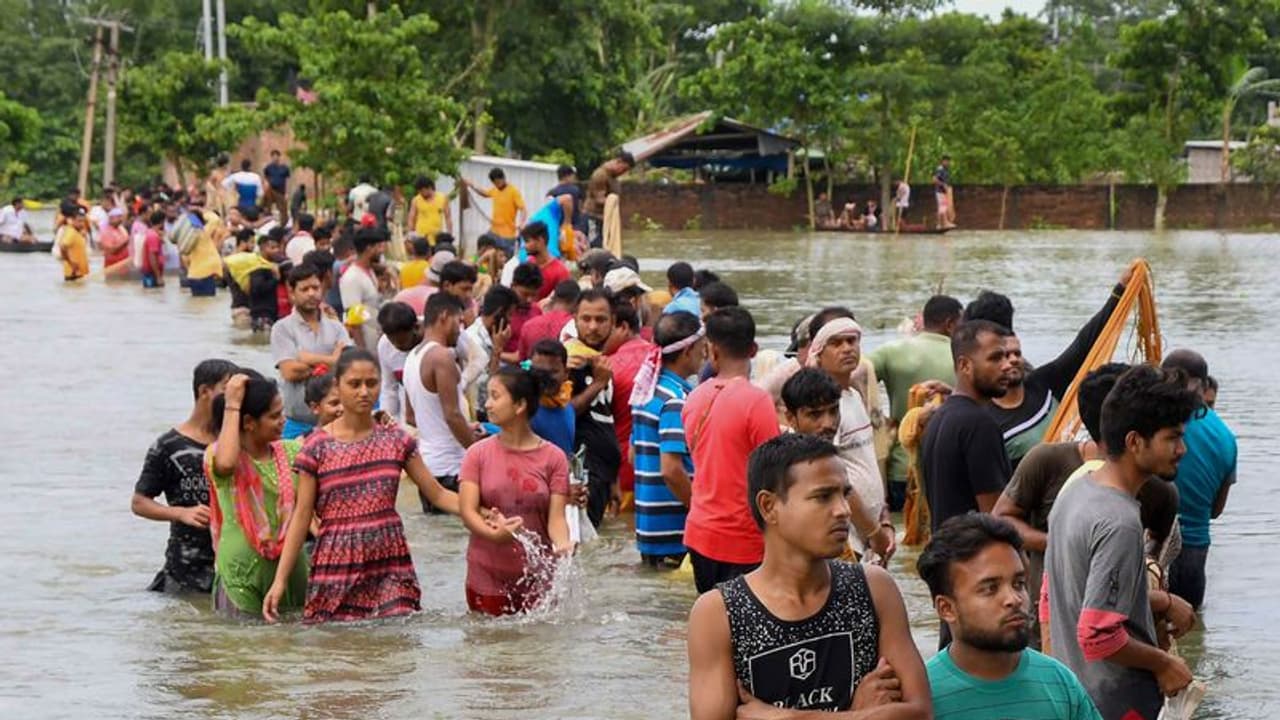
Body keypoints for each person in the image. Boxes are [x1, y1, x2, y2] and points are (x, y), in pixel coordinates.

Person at [687, 433, 932, 719]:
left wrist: (788, 717)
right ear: (769, 506)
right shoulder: (719, 613)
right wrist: (858, 713)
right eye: (823, 496)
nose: (843, 510)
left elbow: (920, 713)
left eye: (845, 494)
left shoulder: (873, 588)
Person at [263, 349, 478, 623]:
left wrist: (479, 512)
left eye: (371, 383)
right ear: (338, 386)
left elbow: (437, 493)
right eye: (354, 384)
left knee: (395, 646)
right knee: (339, 653)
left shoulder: (396, 440)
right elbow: (302, 515)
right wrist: (280, 580)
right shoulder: (316, 447)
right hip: (336, 564)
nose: (364, 392)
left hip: (390, 560)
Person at [1046, 365, 1198, 719]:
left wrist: (1158, 602)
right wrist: (1164, 663)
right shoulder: (1120, 521)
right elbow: (1097, 635)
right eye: (1172, 438)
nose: (1182, 449)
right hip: (1115, 702)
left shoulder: (1076, 491)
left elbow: (1057, 593)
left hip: (1077, 695)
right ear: (1134, 442)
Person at [993, 363, 1129, 650]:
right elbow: (1002, 518)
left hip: (1115, 621)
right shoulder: (1047, 460)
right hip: (1047, 615)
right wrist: (1063, 543)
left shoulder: (1149, 479)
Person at [917, 514, 1103, 720]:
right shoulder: (921, 698)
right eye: (990, 588)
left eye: (1018, 584)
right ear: (946, 608)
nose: (1013, 599)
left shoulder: (1060, 684)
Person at [969, 270, 1132, 469]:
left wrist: (1119, 292)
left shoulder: (1044, 384)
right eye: (1003, 356)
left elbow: (1084, 344)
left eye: (1016, 354)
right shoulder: (985, 420)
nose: (1011, 361)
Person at [682, 307, 781, 593]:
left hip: (700, 533)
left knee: (714, 622)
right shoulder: (757, 401)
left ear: (711, 351)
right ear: (753, 349)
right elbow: (773, 471)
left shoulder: (694, 398)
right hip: (744, 538)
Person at [460, 365, 572, 615]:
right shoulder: (476, 454)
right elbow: (468, 512)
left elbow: (556, 519)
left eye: (495, 396)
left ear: (520, 405)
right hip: (486, 576)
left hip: (539, 578)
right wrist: (494, 535)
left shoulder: (554, 458)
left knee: (537, 651)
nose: (487, 404)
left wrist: (563, 544)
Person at [204, 371, 309, 618]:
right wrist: (232, 404)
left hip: (290, 570)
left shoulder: (293, 451)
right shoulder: (218, 456)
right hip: (241, 575)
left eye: (282, 412)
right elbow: (227, 463)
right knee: (242, 650)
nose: (283, 420)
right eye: (274, 416)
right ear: (249, 422)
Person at [131, 359, 238, 594]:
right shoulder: (168, 446)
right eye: (227, 391)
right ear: (204, 391)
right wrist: (180, 513)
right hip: (186, 569)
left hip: (235, 565)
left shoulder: (236, 443)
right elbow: (139, 503)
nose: (233, 400)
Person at [805, 318, 896, 561]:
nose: (847, 348)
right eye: (836, 343)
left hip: (870, 532)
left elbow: (867, 462)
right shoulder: (825, 409)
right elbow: (832, 476)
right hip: (848, 536)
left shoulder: (854, 395)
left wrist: (885, 519)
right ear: (819, 355)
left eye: (852, 341)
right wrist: (874, 531)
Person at [920, 319, 1014, 537]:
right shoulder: (979, 424)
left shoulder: (939, 417)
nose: (1007, 365)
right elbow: (995, 517)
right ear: (964, 365)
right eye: (995, 358)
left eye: (1006, 356)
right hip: (977, 560)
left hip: (948, 557)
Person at [869, 294, 963, 509]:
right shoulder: (964, 358)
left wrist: (879, 423)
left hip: (900, 469)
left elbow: (854, 376)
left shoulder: (891, 351)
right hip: (946, 470)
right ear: (950, 324)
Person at [1161, 349, 1237, 610]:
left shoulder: (1158, 423)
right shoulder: (1226, 437)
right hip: (1195, 554)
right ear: (1205, 387)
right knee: (1186, 631)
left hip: (1155, 546)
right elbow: (1216, 510)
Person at [630, 311, 705, 567]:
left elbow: (633, 455)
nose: (704, 354)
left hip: (649, 527)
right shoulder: (675, 400)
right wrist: (701, 512)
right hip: (674, 532)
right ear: (687, 351)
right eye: (701, 348)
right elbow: (671, 470)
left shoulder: (645, 392)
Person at [404, 293, 477, 512]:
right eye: (459, 321)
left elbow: (411, 416)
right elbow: (452, 415)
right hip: (451, 469)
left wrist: (466, 427)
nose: (460, 330)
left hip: (429, 469)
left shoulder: (412, 357)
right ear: (445, 316)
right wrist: (479, 451)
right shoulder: (441, 357)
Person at [271, 265, 353, 439]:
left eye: (315, 288)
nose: (311, 293)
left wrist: (309, 360)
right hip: (296, 423)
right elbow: (290, 371)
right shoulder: (282, 328)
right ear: (292, 292)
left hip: (336, 421)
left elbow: (347, 367)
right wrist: (332, 361)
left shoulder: (336, 327)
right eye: (304, 289)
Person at [565, 288, 623, 527]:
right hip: (580, 477)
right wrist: (598, 383)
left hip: (602, 476)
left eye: (601, 320)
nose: (593, 327)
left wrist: (614, 480)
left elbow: (606, 419)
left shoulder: (599, 362)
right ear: (574, 319)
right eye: (586, 319)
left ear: (614, 322)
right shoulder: (568, 362)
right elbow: (564, 414)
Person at [463, 286, 517, 415]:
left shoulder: (491, 336)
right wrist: (497, 351)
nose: (511, 321)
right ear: (499, 312)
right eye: (509, 314)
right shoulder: (474, 341)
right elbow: (485, 392)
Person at [526, 339, 578, 455]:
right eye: (539, 371)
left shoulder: (566, 405)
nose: (545, 378)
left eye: (552, 372)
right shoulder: (523, 412)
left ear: (566, 373)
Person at [339, 227, 387, 351]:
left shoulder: (369, 271)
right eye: (378, 247)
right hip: (364, 345)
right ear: (369, 248)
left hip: (375, 340)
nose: (381, 251)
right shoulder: (352, 278)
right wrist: (362, 352)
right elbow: (354, 320)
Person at [375, 301, 421, 422]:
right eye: (393, 342)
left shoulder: (434, 331)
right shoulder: (384, 346)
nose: (397, 346)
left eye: (402, 342)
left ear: (415, 328)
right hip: (408, 417)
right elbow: (389, 387)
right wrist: (389, 418)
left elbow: (475, 360)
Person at [518, 280, 579, 361]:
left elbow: (522, 361)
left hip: (532, 371)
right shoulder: (574, 326)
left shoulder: (528, 325)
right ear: (577, 302)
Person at [584, 151, 635, 247]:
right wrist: (613, 202)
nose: (623, 173)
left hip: (606, 219)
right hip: (594, 218)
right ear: (618, 162)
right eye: (624, 169)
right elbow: (599, 199)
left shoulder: (613, 177)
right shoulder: (601, 175)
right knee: (597, 246)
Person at [464, 168, 526, 244]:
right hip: (494, 231)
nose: (497, 185)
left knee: (504, 255)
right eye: (495, 183)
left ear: (503, 178)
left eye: (498, 182)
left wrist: (522, 222)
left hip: (507, 235)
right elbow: (485, 193)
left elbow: (523, 209)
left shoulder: (513, 191)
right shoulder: (495, 189)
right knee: (483, 244)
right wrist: (472, 185)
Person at [502, 263, 544, 362]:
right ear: (513, 286)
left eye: (534, 295)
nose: (529, 300)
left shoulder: (536, 311)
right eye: (525, 294)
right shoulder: (501, 312)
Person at [521, 221, 572, 301]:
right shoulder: (528, 264)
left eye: (527, 241)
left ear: (540, 241)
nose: (524, 246)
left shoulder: (560, 271)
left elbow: (564, 301)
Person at [407, 176, 452, 242]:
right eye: (419, 191)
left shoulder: (442, 198)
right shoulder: (416, 200)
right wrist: (410, 234)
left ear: (429, 187)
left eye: (422, 190)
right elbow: (411, 218)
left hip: (437, 237)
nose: (420, 193)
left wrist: (449, 234)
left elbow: (448, 218)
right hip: (421, 238)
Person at [548, 163, 586, 236]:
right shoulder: (576, 190)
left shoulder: (552, 192)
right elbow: (580, 208)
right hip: (575, 227)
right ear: (568, 176)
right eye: (573, 176)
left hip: (557, 228)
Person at [58, 204, 90, 281]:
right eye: (79, 221)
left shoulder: (77, 232)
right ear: (72, 220)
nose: (82, 224)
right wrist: (71, 262)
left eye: (83, 221)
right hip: (73, 273)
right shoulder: (71, 232)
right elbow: (62, 247)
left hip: (79, 273)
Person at [262, 150, 291, 225]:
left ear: (279, 157)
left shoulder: (284, 168)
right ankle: (266, 221)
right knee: (266, 206)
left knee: (283, 209)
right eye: (273, 156)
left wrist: (287, 192)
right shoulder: (268, 168)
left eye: (276, 156)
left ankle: (283, 224)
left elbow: (287, 180)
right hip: (271, 190)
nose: (275, 158)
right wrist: (265, 187)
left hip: (281, 191)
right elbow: (265, 178)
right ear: (271, 157)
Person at [100, 207, 131, 273]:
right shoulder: (106, 231)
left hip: (124, 265)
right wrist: (125, 242)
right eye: (119, 217)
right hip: (113, 267)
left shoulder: (121, 228)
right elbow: (112, 250)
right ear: (111, 218)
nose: (121, 219)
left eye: (121, 217)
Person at [934, 155, 955, 229]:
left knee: (942, 208)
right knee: (943, 207)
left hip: (944, 192)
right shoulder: (940, 169)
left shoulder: (946, 170)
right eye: (946, 161)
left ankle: (940, 224)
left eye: (949, 161)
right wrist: (943, 185)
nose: (948, 163)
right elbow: (935, 179)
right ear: (943, 161)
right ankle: (944, 223)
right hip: (940, 191)